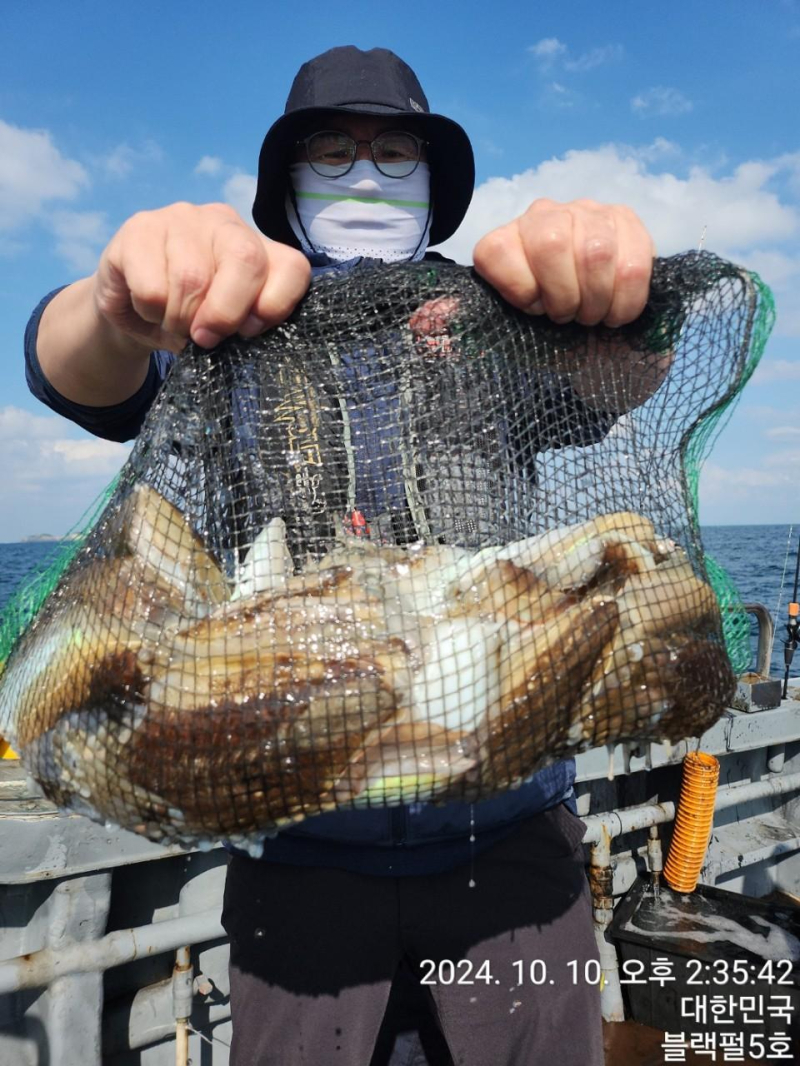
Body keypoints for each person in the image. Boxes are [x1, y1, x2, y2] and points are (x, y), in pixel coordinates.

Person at [25, 46, 663, 1066]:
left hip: (513, 857)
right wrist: (112, 300)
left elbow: (621, 377)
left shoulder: (491, 323)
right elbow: (72, 371)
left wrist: (615, 284)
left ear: (431, 182)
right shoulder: (226, 327)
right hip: (298, 861)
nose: (363, 172)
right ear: (286, 187)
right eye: (332, 150)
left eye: (393, 152)